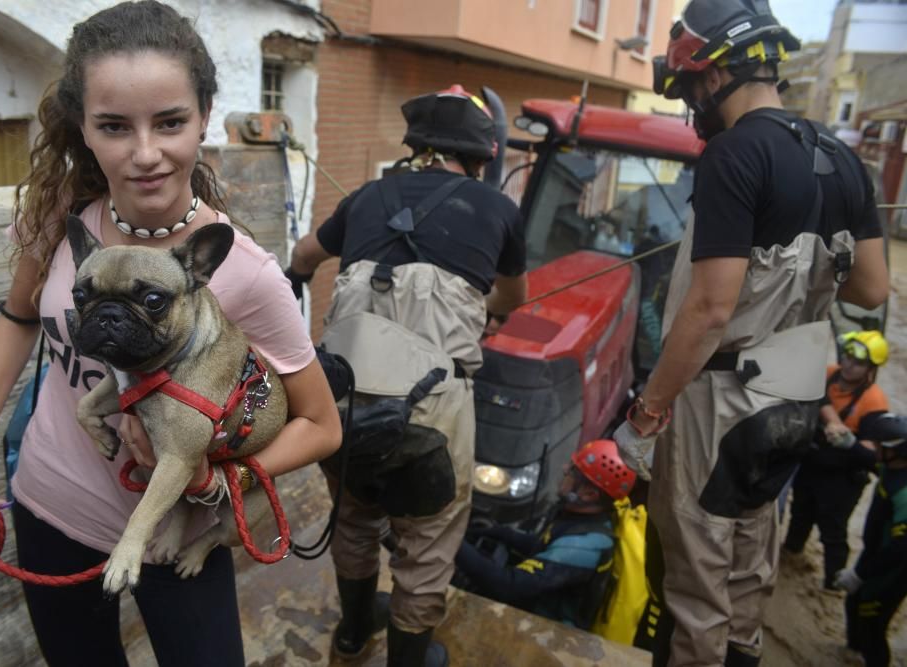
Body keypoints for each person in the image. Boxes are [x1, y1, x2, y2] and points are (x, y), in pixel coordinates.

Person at [0, 3, 342, 665]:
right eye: (116, 126)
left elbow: (323, 425)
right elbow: (16, 320)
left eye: (171, 122)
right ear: (84, 129)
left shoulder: (242, 272)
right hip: (48, 505)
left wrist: (221, 483)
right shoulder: (61, 221)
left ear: (205, 117)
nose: (147, 152)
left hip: (173, 533)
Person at [613, 1, 890, 665]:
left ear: (716, 72)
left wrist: (648, 409)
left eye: (689, 89)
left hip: (723, 403)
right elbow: (873, 288)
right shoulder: (841, 159)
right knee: (746, 569)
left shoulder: (734, 156)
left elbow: (710, 308)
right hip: (790, 398)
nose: (692, 106)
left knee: (696, 590)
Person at [287, 84, 528, 666]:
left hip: (342, 403)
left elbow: (301, 258)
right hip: (431, 413)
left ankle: (351, 635)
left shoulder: (367, 196)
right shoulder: (497, 210)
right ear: (483, 155)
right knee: (426, 546)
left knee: (354, 518)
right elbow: (512, 297)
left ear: (416, 145)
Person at [453, 440, 636, 628]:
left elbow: (509, 585)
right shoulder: (580, 517)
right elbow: (543, 544)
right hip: (537, 602)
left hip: (548, 632)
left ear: (589, 494)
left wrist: (452, 543)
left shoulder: (584, 546)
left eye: (573, 471)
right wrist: (500, 532)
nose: (565, 468)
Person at [783, 331, 889, 589]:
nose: (849, 364)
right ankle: (790, 555)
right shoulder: (829, 374)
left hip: (842, 480)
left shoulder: (874, 403)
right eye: (848, 356)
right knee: (800, 513)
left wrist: (849, 443)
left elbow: (873, 458)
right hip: (811, 463)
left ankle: (832, 583)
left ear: (870, 370)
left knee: (833, 532)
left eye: (858, 362)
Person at [835, 412, 907, 667]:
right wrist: (850, 445)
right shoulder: (891, 466)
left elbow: (901, 550)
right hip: (876, 552)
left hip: (893, 569)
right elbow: (872, 462)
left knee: (872, 622)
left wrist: (860, 574)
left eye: (878, 445)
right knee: (855, 602)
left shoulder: (905, 493)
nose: (873, 448)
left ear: (895, 451)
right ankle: (853, 651)